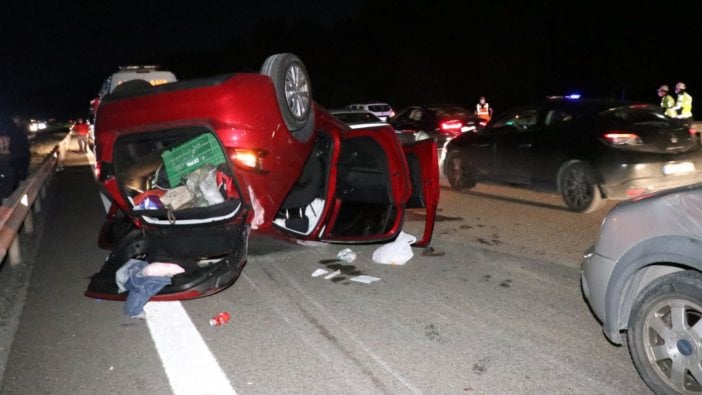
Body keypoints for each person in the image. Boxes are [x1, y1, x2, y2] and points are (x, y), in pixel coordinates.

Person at [0, 115, 30, 198]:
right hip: (19, 159)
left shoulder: (12, 131)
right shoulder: (20, 130)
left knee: (12, 182)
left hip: (14, 159)